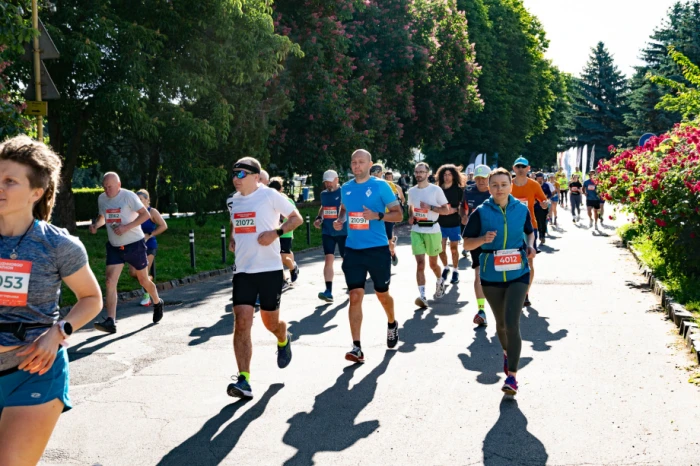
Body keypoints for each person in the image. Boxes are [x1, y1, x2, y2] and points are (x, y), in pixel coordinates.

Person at [0, 136, 102, 465]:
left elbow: (91, 298)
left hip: (34, 371)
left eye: (9, 181)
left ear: (36, 192)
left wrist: (57, 333)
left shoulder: (58, 245)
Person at [226, 157, 303, 399]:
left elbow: (296, 218)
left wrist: (276, 233)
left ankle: (283, 338)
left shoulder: (269, 195)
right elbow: (235, 224)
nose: (235, 179)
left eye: (241, 174)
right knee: (242, 321)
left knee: (270, 323)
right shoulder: (232, 201)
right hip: (243, 271)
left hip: (269, 270)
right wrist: (232, 238)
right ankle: (244, 380)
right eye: (234, 174)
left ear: (255, 176)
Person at [462, 167, 536, 396]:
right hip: (491, 275)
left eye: (504, 184)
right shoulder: (481, 213)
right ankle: (507, 353)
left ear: (510, 186)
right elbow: (466, 244)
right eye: (495, 185)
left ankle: (512, 377)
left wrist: (531, 245)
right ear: (489, 188)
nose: (499, 188)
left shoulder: (521, 210)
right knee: (501, 325)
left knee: (512, 323)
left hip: (518, 273)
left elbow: (529, 231)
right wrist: (483, 239)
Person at [334, 149, 403, 363]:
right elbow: (344, 208)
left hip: (377, 249)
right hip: (353, 249)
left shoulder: (380, 186)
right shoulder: (346, 188)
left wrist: (377, 215)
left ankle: (391, 322)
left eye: (361, 162)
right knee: (355, 295)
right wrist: (340, 220)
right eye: (353, 162)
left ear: (369, 164)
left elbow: (399, 214)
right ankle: (356, 347)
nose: (356, 166)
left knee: (382, 293)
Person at [90, 172, 164, 333]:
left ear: (119, 184)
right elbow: (103, 217)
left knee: (143, 280)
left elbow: (145, 215)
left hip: (134, 244)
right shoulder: (102, 199)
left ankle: (157, 302)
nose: (107, 190)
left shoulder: (128, 196)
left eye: (110, 187)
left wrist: (126, 227)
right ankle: (111, 321)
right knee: (110, 281)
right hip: (115, 246)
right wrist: (97, 225)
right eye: (104, 187)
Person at [408, 162, 451, 308]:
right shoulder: (412, 191)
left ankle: (440, 281)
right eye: (416, 172)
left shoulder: (436, 190)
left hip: (432, 230)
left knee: (433, 264)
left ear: (428, 173)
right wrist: (411, 216)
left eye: (421, 172)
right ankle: (422, 296)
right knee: (420, 264)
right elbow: (411, 208)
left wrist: (430, 207)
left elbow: (446, 210)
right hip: (417, 230)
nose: (419, 174)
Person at [511, 157, 547, 308]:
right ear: (514, 168)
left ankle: (525, 293)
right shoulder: (508, 184)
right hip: (511, 228)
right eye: (518, 166)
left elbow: (544, 203)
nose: (520, 169)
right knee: (512, 260)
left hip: (529, 227)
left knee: (529, 260)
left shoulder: (533, 185)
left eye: (523, 166)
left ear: (528, 168)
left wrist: (545, 204)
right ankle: (513, 291)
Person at [461, 165, 492, 326]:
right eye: (478, 178)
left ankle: (503, 308)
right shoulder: (468, 191)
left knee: (496, 275)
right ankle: (481, 310)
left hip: (495, 239)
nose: (481, 181)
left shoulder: (495, 192)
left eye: (484, 178)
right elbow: (462, 206)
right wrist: (464, 217)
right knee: (478, 274)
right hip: (475, 239)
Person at [313, 170, 347, 302]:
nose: (328, 184)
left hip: (343, 232)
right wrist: (319, 218)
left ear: (336, 180)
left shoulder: (344, 191)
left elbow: (346, 208)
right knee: (328, 259)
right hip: (327, 231)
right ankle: (328, 291)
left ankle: (352, 285)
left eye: (330, 181)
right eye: (326, 182)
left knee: (346, 260)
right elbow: (323, 207)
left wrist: (340, 220)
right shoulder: (323, 194)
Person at [130, 189, 167, 307]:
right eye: (136, 199)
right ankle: (148, 280)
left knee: (143, 271)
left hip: (149, 246)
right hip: (134, 245)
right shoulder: (133, 212)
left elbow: (163, 226)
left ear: (147, 200)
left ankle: (147, 296)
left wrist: (150, 234)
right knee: (133, 272)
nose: (138, 202)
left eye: (140, 199)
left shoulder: (152, 212)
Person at [436, 164, 464, 285]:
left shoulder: (458, 190)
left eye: (449, 174)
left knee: (453, 249)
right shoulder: (437, 189)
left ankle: (455, 270)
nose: (447, 177)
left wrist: (455, 210)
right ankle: (446, 267)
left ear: (454, 176)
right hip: (439, 224)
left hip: (454, 223)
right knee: (440, 249)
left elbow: (463, 207)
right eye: (445, 175)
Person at [269, 177, 299, 287]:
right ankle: (283, 280)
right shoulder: (269, 200)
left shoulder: (287, 200)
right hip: (273, 233)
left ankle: (293, 267)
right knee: (276, 257)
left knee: (283, 255)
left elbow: (295, 217)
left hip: (286, 232)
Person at [370, 163, 401, 266]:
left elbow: (398, 198)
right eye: (372, 173)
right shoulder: (368, 185)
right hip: (374, 216)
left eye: (377, 173)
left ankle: (392, 252)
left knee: (388, 240)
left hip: (387, 216)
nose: (374, 175)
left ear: (381, 173)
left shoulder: (388, 184)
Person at [533, 173, 552, 244]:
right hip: (535, 206)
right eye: (538, 179)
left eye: (541, 179)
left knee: (543, 221)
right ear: (536, 179)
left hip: (544, 206)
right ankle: (539, 233)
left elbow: (550, 194)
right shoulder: (533, 185)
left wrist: (546, 197)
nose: (540, 180)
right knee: (537, 221)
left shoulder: (546, 185)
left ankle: (542, 236)